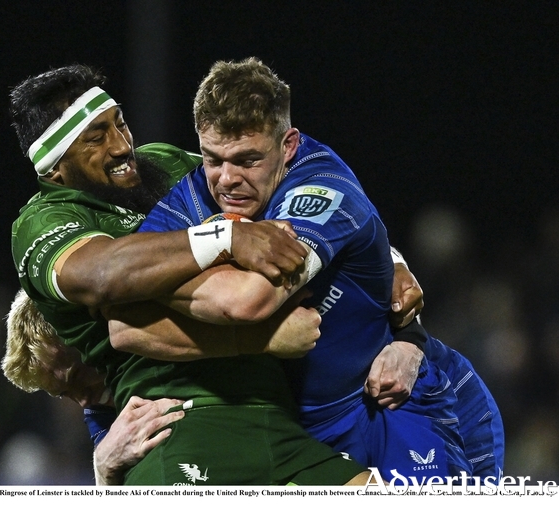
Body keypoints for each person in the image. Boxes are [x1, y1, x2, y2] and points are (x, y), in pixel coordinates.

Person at [9, 64, 374, 485]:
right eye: (96, 138)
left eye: (120, 124)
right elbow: (101, 274)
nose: (121, 145)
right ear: (55, 169)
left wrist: (382, 255)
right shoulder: (43, 222)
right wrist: (225, 238)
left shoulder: (161, 163)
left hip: (283, 415)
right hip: (184, 422)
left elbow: (274, 183)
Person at [130, 57, 489, 481]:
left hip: (390, 404)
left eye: (247, 160)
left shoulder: (319, 187)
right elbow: (120, 319)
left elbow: (250, 300)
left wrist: (168, 272)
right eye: (213, 158)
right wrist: (213, 247)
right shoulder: (188, 197)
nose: (227, 179)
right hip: (297, 432)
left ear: (288, 146)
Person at [2, 287, 185, 485]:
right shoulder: (98, 413)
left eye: (78, 375)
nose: (83, 401)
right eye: (64, 394)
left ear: (87, 333)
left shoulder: (164, 332)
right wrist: (102, 468)